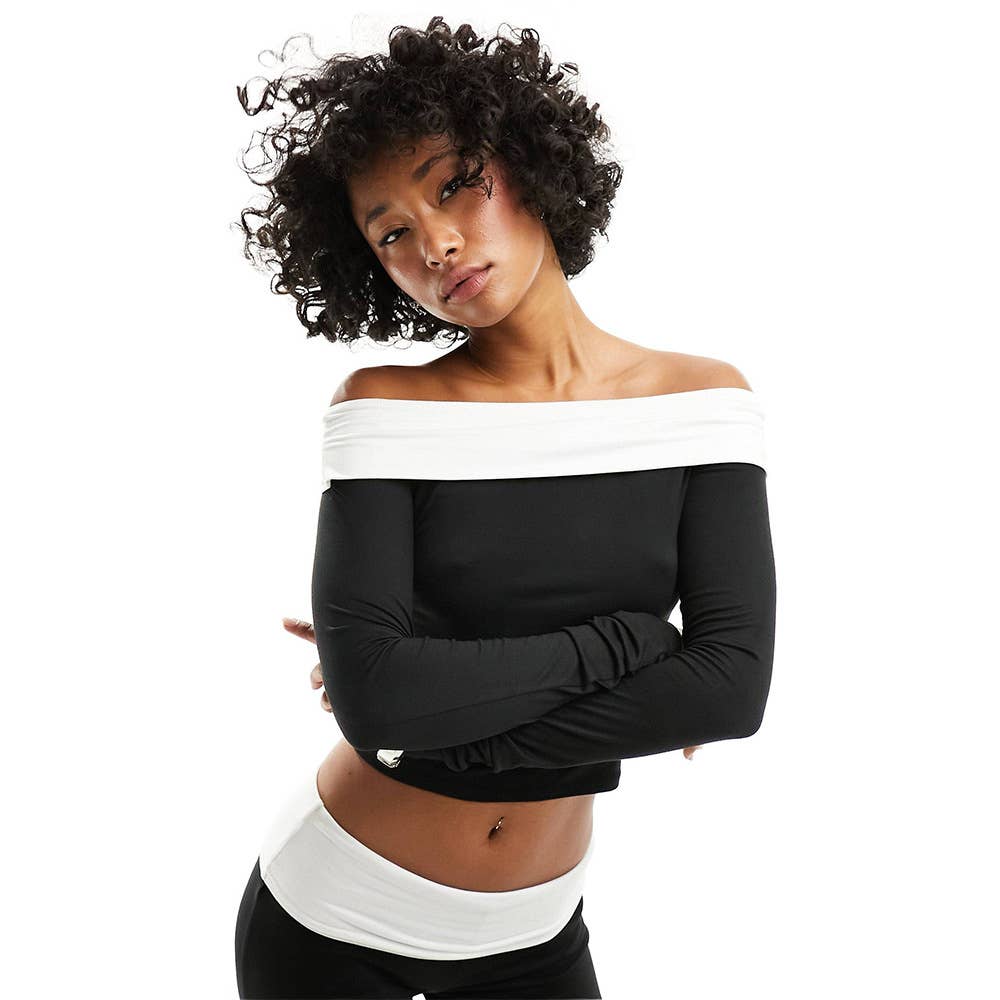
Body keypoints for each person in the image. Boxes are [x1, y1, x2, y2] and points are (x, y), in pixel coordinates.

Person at [232, 17, 777, 999]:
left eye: (454, 186)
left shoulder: (703, 406)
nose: (435, 243)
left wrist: (442, 719)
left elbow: (729, 690)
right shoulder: (382, 409)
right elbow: (378, 699)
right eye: (391, 233)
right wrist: (636, 645)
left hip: (535, 928)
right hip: (332, 917)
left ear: (529, 163)